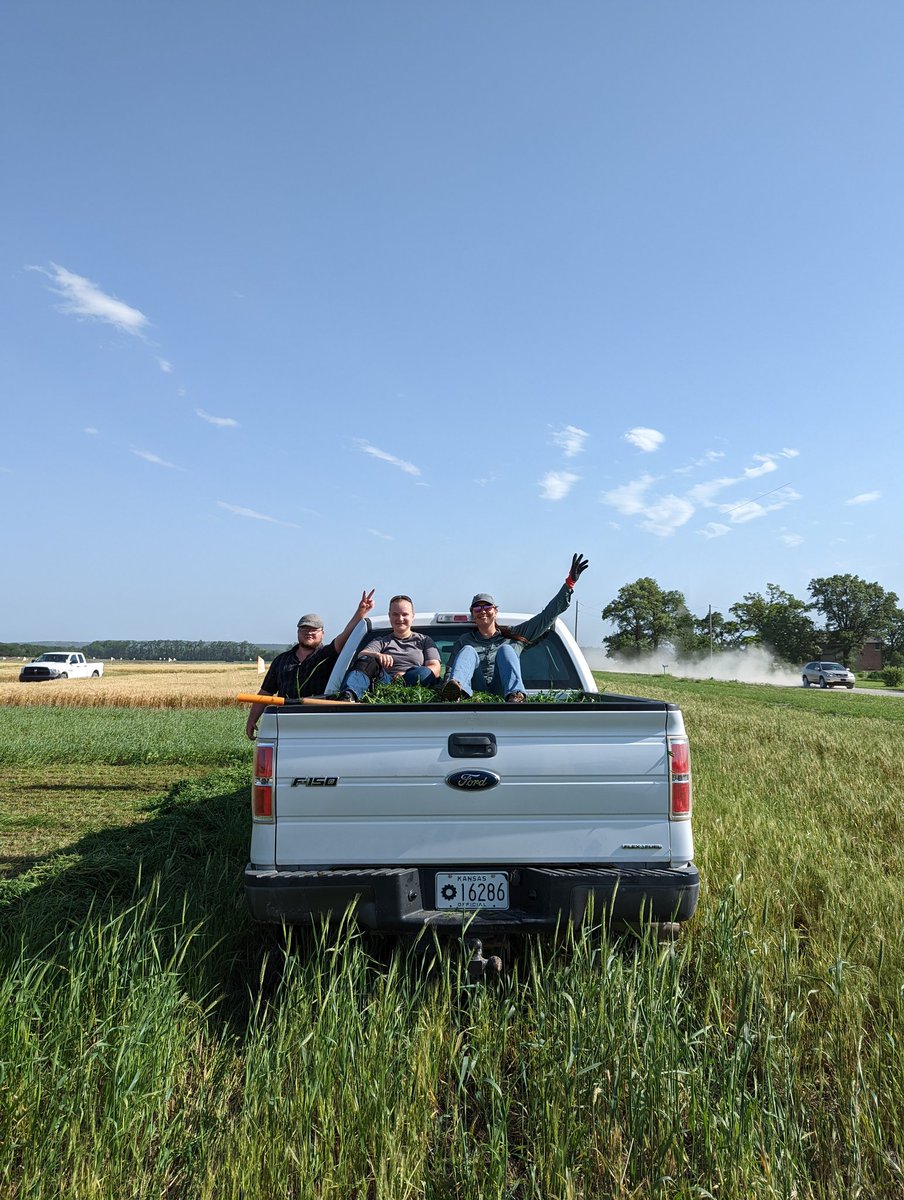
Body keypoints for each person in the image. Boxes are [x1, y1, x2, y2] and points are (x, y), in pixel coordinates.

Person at [441, 553, 589, 703]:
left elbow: (546, 617)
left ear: (495, 611)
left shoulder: (513, 635)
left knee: (506, 650)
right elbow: (451, 668)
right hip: (473, 689)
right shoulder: (465, 640)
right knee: (467, 650)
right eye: (477, 608)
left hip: (503, 689)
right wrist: (446, 684)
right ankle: (454, 691)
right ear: (472, 614)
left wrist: (569, 583)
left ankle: (516, 695)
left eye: (487, 606)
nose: (482, 611)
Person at [245, 589, 375, 739]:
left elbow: (345, 635)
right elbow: (265, 693)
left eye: (314, 629)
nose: (309, 632)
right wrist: (252, 719)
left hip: (318, 721)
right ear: (298, 632)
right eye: (304, 629)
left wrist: (361, 612)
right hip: (286, 722)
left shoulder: (327, 655)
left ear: (323, 633)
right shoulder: (281, 660)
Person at [338, 594, 441, 701]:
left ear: (412, 616)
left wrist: (404, 676)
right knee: (366, 661)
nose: (400, 619)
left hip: (414, 682)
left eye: (405, 614)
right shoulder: (381, 641)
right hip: (385, 682)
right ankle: (349, 695)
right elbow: (362, 655)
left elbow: (435, 668)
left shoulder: (424, 640)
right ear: (389, 616)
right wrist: (377, 655)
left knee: (425, 673)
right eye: (395, 614)